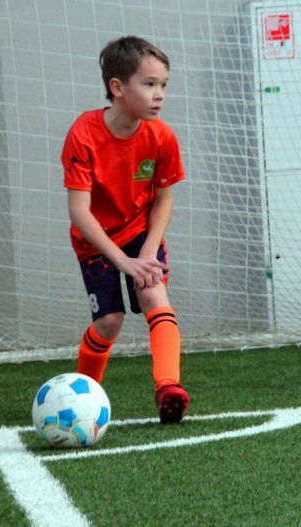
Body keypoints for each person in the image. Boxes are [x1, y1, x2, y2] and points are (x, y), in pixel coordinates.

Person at [61, 36, 189, 423]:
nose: (159, 94)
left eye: (163, 85)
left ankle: (168, 388)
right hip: (96, 240)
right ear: (117, 87)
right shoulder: (83, 134)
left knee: (153, 294)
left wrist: (147, 252)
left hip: (140, 233)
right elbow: (79, 212)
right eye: (149, 84)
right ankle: (82, 398)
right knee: (109, 322)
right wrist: (121, 261)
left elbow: (163, 199)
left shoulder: (161, 136)